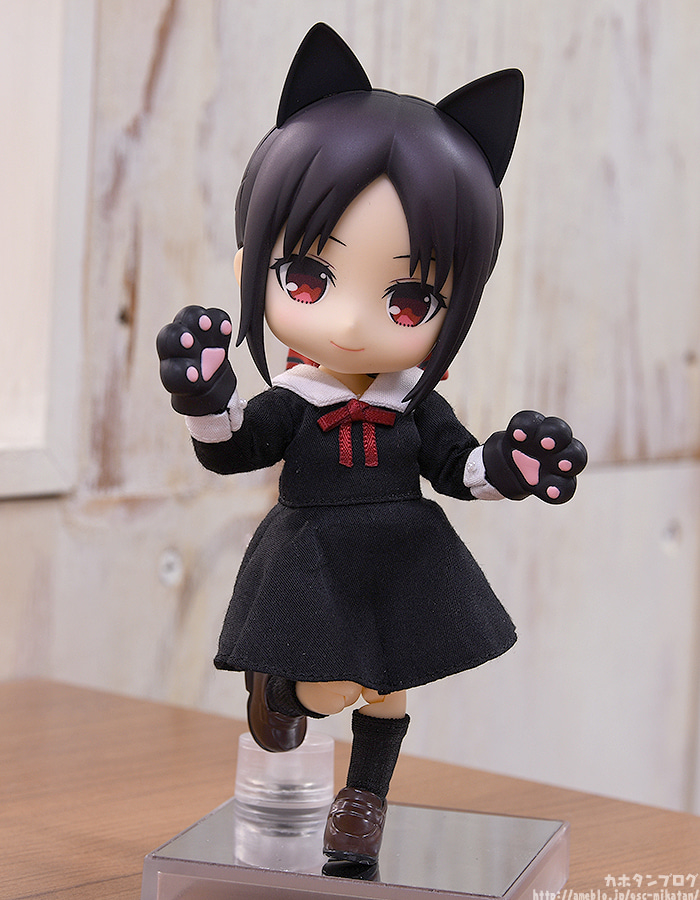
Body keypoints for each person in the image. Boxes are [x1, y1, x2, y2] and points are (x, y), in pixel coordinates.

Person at [157, 23, 587, 875]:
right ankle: (284, 689)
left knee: (389, 684)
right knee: (336, 684)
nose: (352, 323)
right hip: (312, 558)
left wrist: (513, 467)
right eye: (308, 279)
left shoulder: (415, 405)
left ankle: (363, 802)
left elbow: (459, 468)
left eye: (409, 300)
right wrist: (203, 396)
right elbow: (233, 446)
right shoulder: (296, 399)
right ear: (252, 267)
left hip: (402, 553)